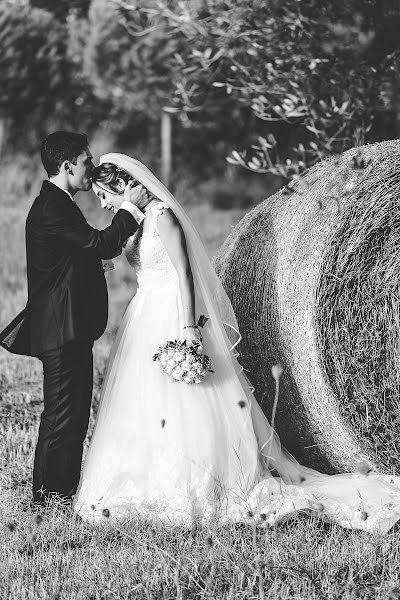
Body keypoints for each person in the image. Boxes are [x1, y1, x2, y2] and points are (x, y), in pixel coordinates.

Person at [74, 153, 400, 533]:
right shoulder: (130, 223)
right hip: (141, 316)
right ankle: (145, 480)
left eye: (103, 195)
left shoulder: (162, 215)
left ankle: (201, 482)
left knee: (188, 402)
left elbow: (185, 276)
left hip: (170, 311)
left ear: (122, 185)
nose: (102, 203)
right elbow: (120, 254)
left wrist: (188, 327)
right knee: (144, 400)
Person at [0, 133, 151, 506]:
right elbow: (100, 242)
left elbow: (74, 252)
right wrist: (129, 211)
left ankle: (59, 491)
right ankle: (48, 498)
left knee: (73, 418)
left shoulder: (58, 204)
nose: (92, 167)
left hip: (71, 329)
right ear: (68, 167)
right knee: (62, 418)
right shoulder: (52, 207)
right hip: (60, 331)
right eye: (87, 161)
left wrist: (86, 264)